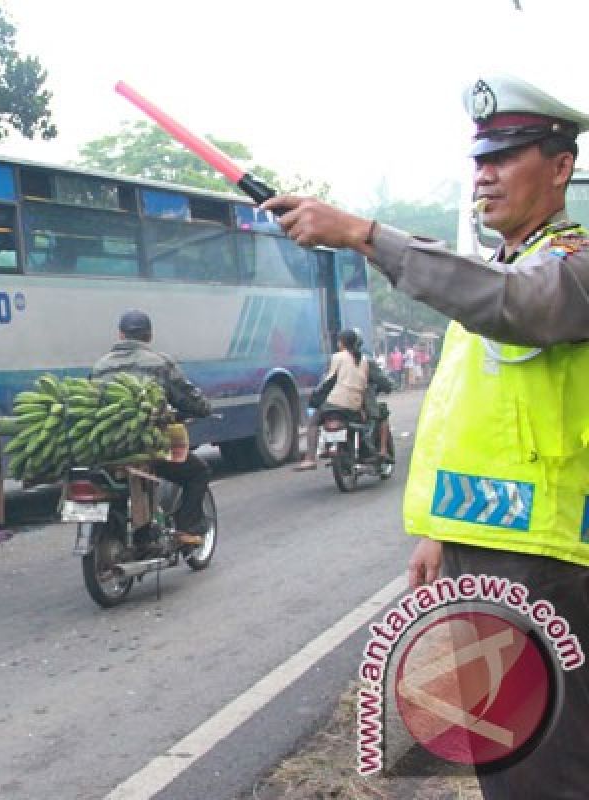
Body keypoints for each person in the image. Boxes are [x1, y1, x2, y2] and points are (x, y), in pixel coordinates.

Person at [263, 74, 589, 800]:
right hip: (493, 552)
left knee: (540, 772)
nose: (485, 175)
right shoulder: (496, 272)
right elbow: (469, 418)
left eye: (505, 157)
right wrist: (440, 532)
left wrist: (363, 235)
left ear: (561, 166)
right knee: (507, 757)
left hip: (551, 561)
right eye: (479, 160)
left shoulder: (569, 265)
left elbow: (517, 304)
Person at [92, 310, 212, 545]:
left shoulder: (99, 367)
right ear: (149, 336)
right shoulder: (159, 363)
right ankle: (187, 528)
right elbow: (191, 399)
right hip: (148, 449)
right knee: (199, 472)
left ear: (120, 334)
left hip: (106, 450)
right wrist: (204, 408)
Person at [294, 328, 369, 470]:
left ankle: (310, 458)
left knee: (314, 422)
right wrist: (362, 409)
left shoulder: (338, 357)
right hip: (355, 405)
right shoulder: (364, 360)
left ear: (342, 343)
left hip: (337, 402)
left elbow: (328, 381)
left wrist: (314, 399)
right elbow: (364, 386)